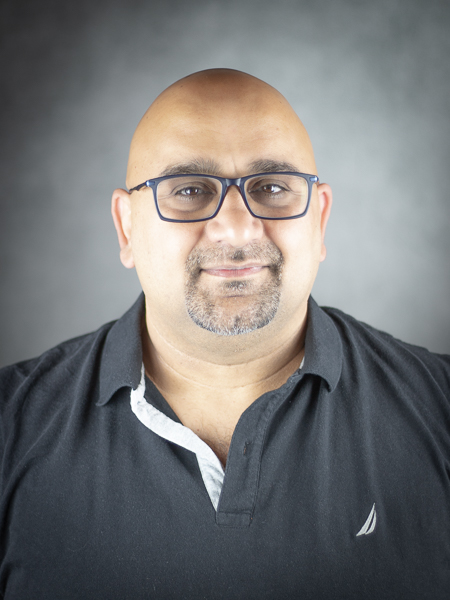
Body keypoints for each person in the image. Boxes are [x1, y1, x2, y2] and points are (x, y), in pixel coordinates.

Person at [0, 69, 449, 599]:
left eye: (272, 187)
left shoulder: (439, 408)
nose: (236, 227)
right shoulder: (10, 429)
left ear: (320, 220)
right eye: (189, 190)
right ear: (127, 228)